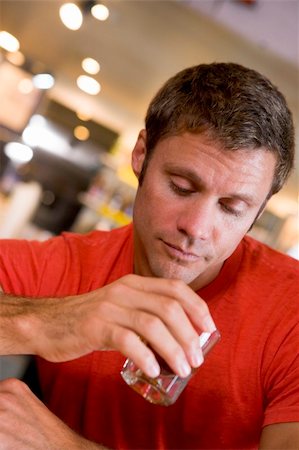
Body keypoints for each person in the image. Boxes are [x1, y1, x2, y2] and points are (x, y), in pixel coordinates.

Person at [0, 62, 298, 450]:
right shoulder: (71, 265)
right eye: (181, 186)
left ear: (258, 213)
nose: (196, 226)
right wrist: (51, 321)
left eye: (231, 207)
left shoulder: (290, 313)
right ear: (141, 155)